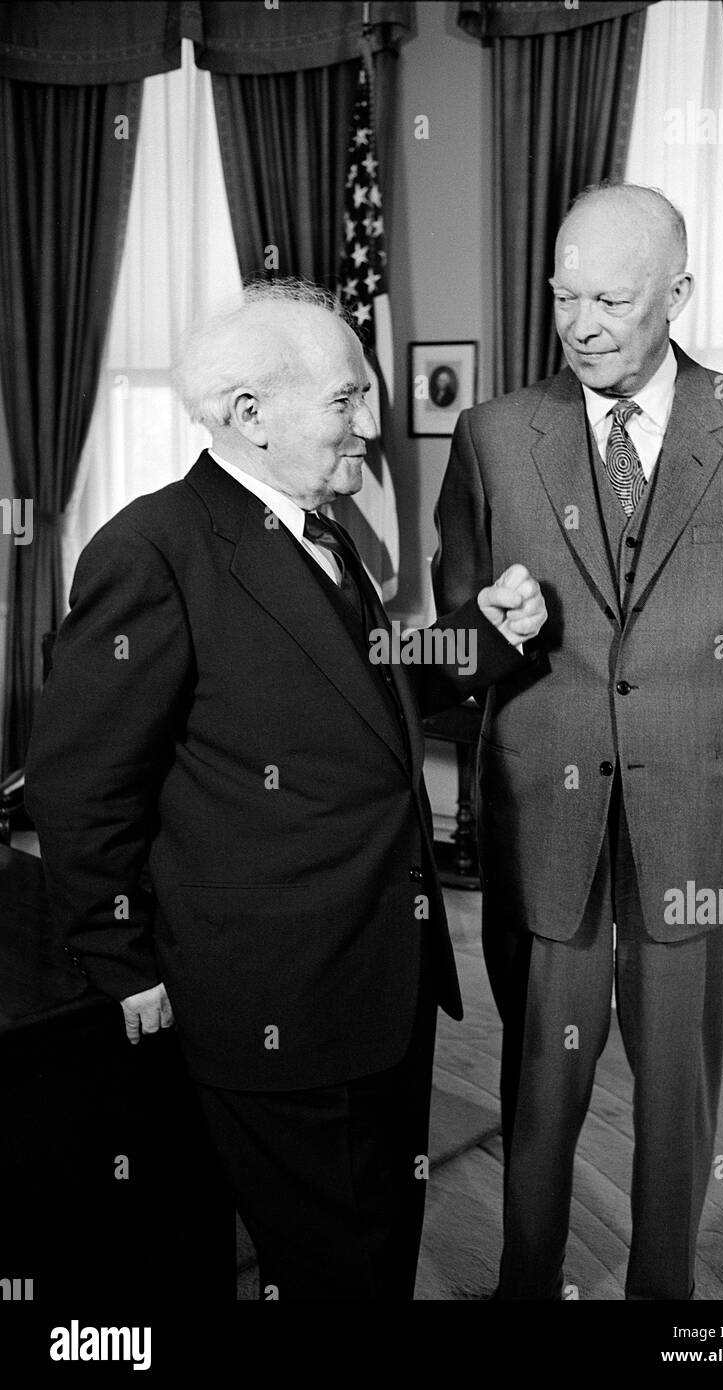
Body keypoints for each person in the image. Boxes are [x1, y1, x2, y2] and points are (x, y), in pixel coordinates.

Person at [24, 279, 547, 1302]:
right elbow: (79, 787)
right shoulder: (153, 548)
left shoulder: (320, 525)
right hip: (274, 1006)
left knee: (371, 1255)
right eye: (348, 399)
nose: (374, 421)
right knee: (340, 1272)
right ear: (250, 417)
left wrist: (489, 632)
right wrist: (128, 968)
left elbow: (361, 686)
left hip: (375, 986)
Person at [433, 182, 723, 1300]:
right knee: (539, 1086)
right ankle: (526, 1285)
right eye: (563, 296)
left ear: (679, 294)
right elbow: (461, 635)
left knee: (678, 1088)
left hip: (694, 811)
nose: (582, 322)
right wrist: (486, 630)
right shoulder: (495, 434)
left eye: (610, 298)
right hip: (544, 813)